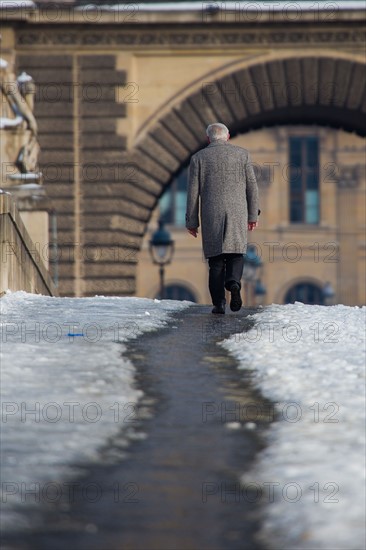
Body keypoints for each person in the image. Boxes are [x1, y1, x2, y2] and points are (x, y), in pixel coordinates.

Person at [185, 123, 259, 314]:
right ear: (228, 137)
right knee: (236, 253)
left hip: (212, 214)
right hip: (238, 213)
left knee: (216, 261)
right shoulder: (242, 155)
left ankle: (219, 303)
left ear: (208, 139)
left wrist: (192, 221)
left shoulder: (198, 158)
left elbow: (193, 193)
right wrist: (252, 214)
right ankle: (233, 283)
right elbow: (252, 187)